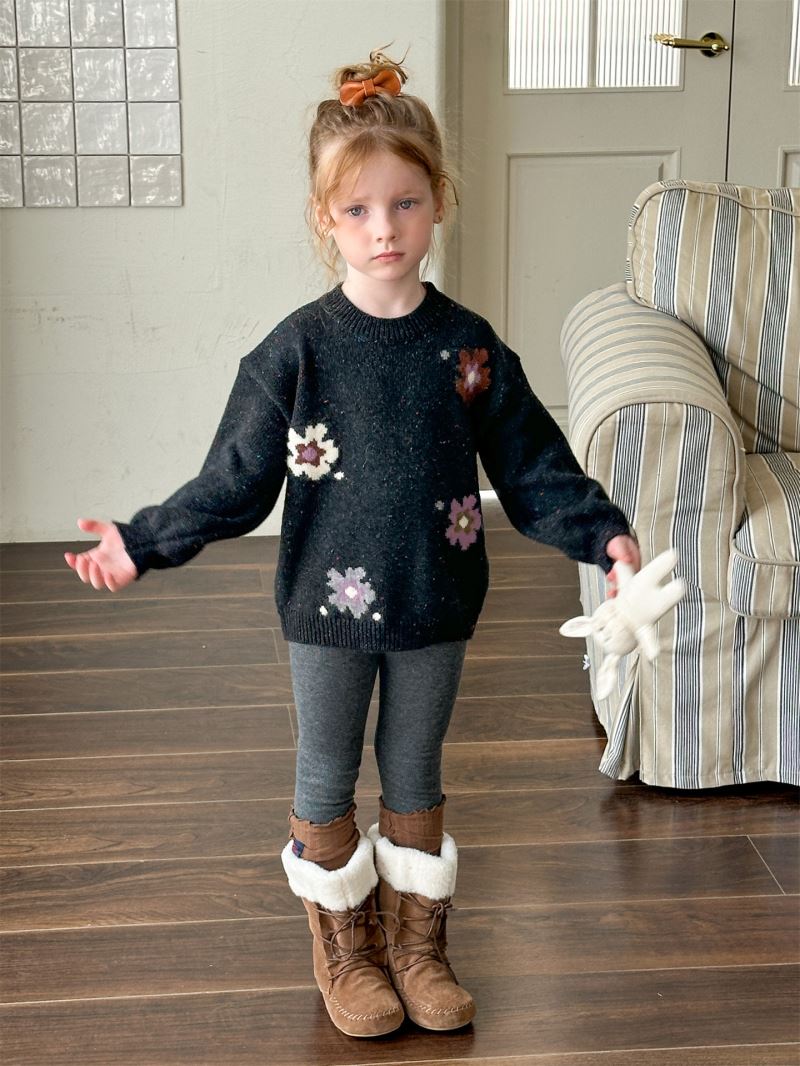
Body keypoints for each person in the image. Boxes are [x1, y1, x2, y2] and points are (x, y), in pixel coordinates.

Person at [64, 47, 640, 1039]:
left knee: (415, 773)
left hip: (436, 602)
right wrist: (141, 541)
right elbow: (232, 482)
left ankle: (416, 946)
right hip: (324, 613)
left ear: (438, 201)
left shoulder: (468, 350)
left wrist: (605, 536)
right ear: (323, 217)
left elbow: (534, 464)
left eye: (405, 204)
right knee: (327, 772)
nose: (384, 229)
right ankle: (344, 943)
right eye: (358, 209)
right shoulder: (295, 352)